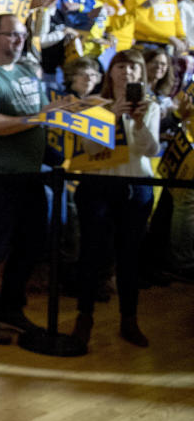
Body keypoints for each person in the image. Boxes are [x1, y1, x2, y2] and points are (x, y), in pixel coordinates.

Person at [0, 14, 60, 345]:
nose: (19, 40)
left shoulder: (27, 73)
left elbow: (44, 118)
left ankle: (11, 308)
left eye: (22, 35)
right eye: (11, 35)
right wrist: (38, 118)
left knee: (31, 243)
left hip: (29, 173)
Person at [70, 49, 160, 348]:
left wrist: (139, 122)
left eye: (133, 68)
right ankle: (84, 318)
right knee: (92, 255)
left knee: (130, 257)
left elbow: (149, 150)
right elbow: (90, 149)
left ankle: (129, 320)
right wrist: (112, 116)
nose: (127, 73)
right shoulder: (94, 105)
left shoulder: (151, 107)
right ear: (110, 72)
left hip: (136, 187)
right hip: (98, 186)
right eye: (120, 67)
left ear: (141, 74)